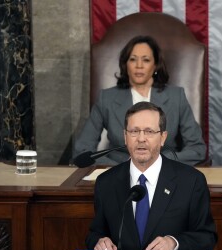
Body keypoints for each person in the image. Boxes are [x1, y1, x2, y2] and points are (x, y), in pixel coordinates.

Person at [86, 101, 217, 250]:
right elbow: (94, 234)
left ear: (163, 137)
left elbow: (207, 237)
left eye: (149, 131)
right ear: (125, 136)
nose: (141, 139)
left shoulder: (191, 181)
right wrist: (99, 241)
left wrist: (173, 243)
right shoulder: (106, 182)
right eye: (134, 131)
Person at [74, 35, 206, 166]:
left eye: (146, 60)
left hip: (165, 172)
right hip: (120, 173)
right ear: (125, 64)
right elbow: (82, 150)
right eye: (133, 59)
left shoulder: (176, 97)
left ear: (155, 65)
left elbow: (197, 149)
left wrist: (161, 162)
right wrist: (117, 167)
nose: (139, 65)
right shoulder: (106, 98)